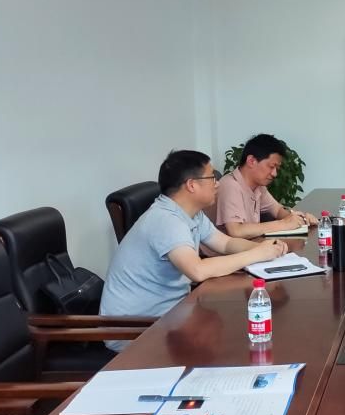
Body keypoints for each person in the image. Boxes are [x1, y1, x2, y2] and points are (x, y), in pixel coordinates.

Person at [100, 150, 288, 350]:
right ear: (191, 185)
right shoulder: (166, 221)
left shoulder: (191, 214)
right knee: (236, 337)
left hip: (174, 312)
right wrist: (256, 254)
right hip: (136, 329)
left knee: (235, 329)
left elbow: (225, 243)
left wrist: (266, 249)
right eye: (211, 178)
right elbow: (197, 270)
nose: (217, 184)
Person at [216, 133, 317, 238]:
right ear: (251, 161)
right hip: (230, 248)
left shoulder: (258, 187)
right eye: (271, 166)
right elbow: (236, 231)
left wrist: (300, 218)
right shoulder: (230, 185)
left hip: (251, 244)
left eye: (277, 168)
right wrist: (283, 224)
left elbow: (277, 210)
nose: (274, 174)